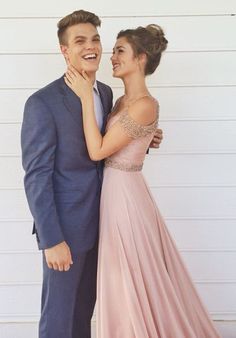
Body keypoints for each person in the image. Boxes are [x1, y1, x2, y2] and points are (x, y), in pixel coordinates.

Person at [65, 24, 221, 337]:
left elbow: (97, 151)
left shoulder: (145, 104)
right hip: (114, 191)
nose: (112, 57)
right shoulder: (119, 102)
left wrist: (84, 97)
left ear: (141, 58)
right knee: (120, 271)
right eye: (114, 51)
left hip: (125, 196)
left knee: (130, 268)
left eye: (120, 50)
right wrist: (146, 139)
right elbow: (121, 140)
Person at [21, 10, 162, 338]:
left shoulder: (105, 93)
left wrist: (146, 137)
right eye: (80, 40)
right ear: (64, 50)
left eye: (95, 39)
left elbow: (111, 144)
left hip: (108, 223)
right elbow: (36, 176)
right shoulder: (42, 103)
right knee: (58, 317)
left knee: (85, 313)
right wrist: (51, 238)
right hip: (66, 230)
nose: (91, 46)